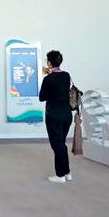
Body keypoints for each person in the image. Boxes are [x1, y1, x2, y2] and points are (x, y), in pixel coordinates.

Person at [39, 50, 73, 184]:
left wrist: (48, 77)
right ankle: (67, 172)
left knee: (57, 145)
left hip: (54, 115)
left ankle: (60, 175)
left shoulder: (48, 79)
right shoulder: (66, 75)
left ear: (49, 63)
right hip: (67, 115)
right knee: (61, 144)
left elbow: (42, 97)